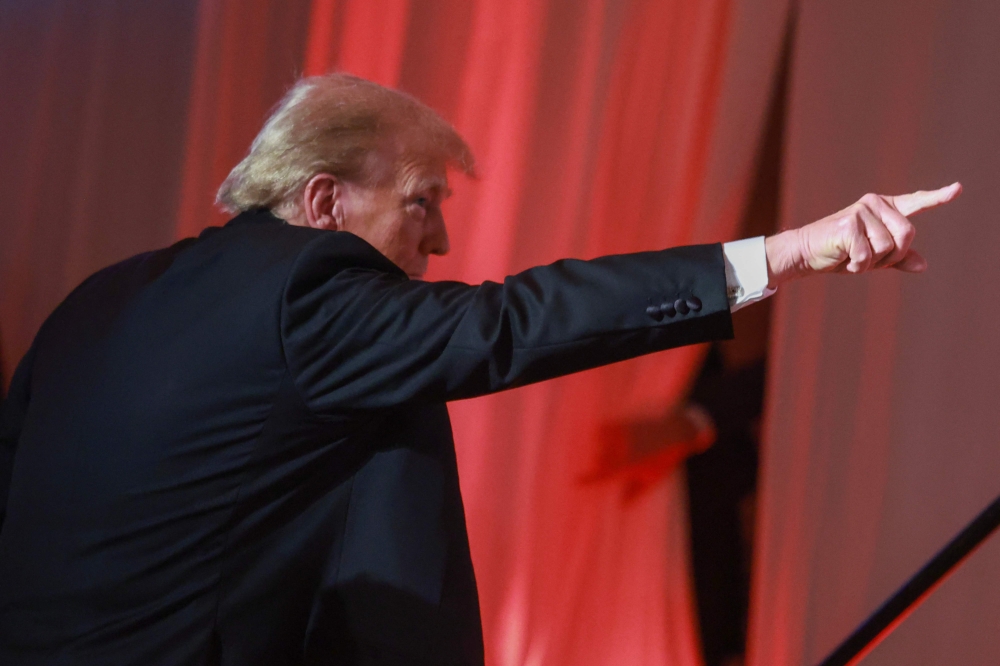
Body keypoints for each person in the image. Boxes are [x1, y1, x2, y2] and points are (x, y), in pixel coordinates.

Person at [0, 73, 960, 666]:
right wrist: (788, 252)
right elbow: (515, 320)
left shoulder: (100, 298)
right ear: (325, 198)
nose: (444, 239)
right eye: (423, 204)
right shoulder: (309, 293)